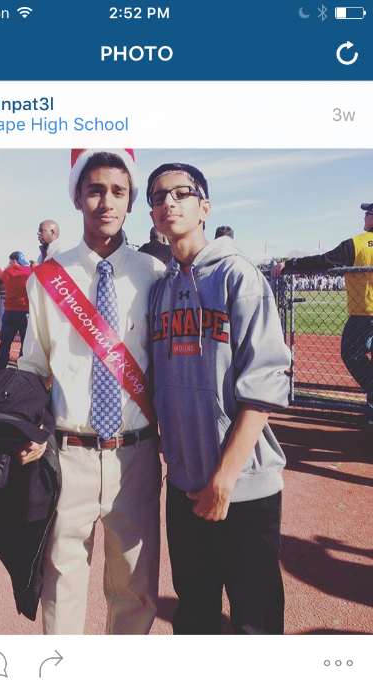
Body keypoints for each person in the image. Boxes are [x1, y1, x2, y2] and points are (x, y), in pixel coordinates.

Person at [17, 148, 164, 635]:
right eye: (95, 189)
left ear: (130, 202)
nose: (106, 200)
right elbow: (33, 367)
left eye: (118, 191)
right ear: (77, 197)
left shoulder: (154, 275)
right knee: (61, 585)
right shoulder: (46, 279)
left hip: (136, 458)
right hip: (67, 453)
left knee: (136, 589)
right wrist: (27, 428)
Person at [148, 162, 291, 635]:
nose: (168, 201)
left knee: (256, 618)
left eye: (180, 192)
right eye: (157, 196)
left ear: (204, 207)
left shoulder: (238, 276)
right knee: (195, 615)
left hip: (242, 485)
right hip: (186, 482)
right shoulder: (161, 288)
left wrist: (225, 479)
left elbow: (265, 384)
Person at [277, 202, 373, 424]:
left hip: (363, 314)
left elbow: (323, 261)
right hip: (363, 314)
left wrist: (291, 265)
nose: (364, 219)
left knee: (351, 354)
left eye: (367, 214)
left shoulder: (357, 244)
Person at [0, 251, 31, 370]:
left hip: (9, 311)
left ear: (13, 261)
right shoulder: (29, 272)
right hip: (25, 311)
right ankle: (21, 369)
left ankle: (0, 369)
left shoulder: (6, 272)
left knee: (5, 343)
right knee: (25, 344)